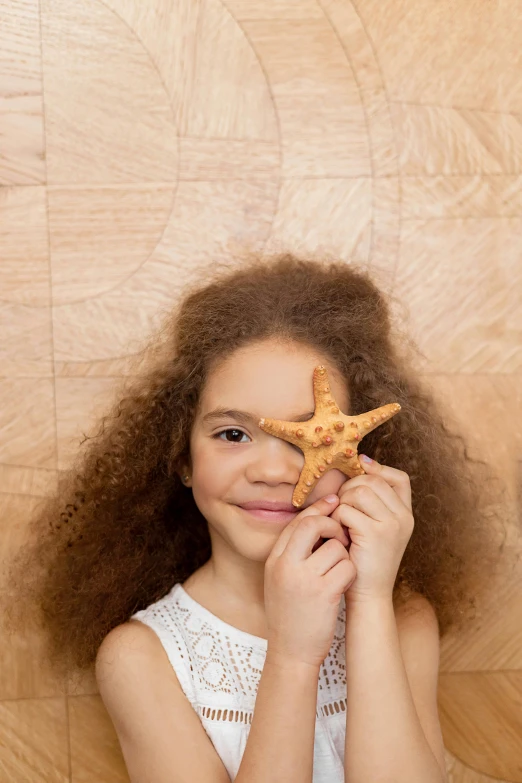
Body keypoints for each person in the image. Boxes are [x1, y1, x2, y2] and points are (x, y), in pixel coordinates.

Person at [2, 252, 513, 783]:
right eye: (232, 434)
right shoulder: (140, 658)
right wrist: (292, 656)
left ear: (363, 459)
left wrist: (368, 600)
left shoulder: (401, 618)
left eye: (312, 436)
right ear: (182, 457)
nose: (272, 470)